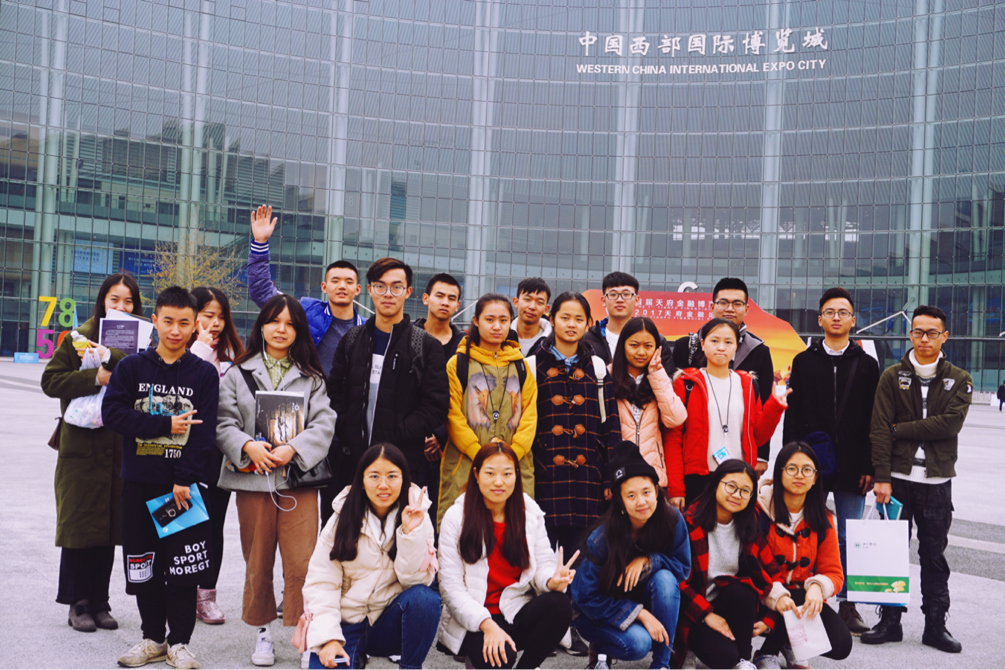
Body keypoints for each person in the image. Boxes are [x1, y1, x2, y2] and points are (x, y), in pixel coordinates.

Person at [214, 294, 337, 667]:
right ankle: (263, 632)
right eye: (273, 321)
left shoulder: (311, 376)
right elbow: (223, 421)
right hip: (253, 482)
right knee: (258, 559)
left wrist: (293, 449)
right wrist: (247, 446)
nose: (281, 329)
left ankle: (306, 635)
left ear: (299, 330)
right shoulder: (239, 372)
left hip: (297, 482)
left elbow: (324, 422)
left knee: (303, 562)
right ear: (262, 326)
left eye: (289, 324)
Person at [101, 286, 220, 670]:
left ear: (195, 325)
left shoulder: (203, 373)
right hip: (138, 483)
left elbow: (203, 435)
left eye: (184, 323)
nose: (175, 330)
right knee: (144, 565)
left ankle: (180, 643)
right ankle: (153, 638)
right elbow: (113, 414)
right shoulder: (131, 368)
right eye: (168, 321)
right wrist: (165, 424)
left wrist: (184, 477)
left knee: (182, 569)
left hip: (180, 489)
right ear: (154, 321)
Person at [864, 305, 972, 654]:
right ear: (910, 334)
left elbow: (949, 425)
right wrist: (882, 476)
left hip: (936, 482)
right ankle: (890, 621)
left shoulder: (960, 378)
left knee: (933, 555)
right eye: (918, 332)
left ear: (944, 336)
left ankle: (935, 625)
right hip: (896, 480)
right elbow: (879, 429)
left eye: (932, 333)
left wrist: (901, 429)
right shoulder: (892, 376)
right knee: (891, 551)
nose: (924, 338)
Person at [41, 273, 144, 633]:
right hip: (81, 447)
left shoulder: (140, 343)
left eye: (128, 301)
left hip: (118, 448)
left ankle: (100, 600)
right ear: (103, 301)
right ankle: (77, 602)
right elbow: (50, 381)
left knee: (110, 526)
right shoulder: (78, 339)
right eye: (115, 299)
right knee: (79, 526)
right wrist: (94, 379)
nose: (121, 307)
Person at [781, 287, 879, 635]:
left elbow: (875, 420)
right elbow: (793, 415)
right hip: (812, 464)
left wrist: (870, 466)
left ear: (853, 320)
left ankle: (848, 604)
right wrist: (790, 461)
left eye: (843, 312)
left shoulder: (867, 365)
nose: (836, 317)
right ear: (820, 319)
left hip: (854, 465)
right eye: (830, 312)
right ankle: (803, 597)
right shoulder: (804, 362)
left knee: (850, 535)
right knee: (805, 529)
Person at [529, 292, 621, 656]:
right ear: (552, 319)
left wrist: (610, 477)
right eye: (564, 317)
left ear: (588, 324)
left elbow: (611, 426)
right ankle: (546, 623)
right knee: (542, 550)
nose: (571, 324)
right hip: (545, 473)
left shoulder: (597, 367)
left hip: (587, 476)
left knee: (581, 554)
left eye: (578, 319)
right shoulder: (531, 364)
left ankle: (573, 624)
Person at [326, 257, 449, 526]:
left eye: (396, 287)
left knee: (397, 534)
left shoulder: (425, 346)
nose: (388, 294)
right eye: (380, 287)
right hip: (351, 461)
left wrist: (397, 434)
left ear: (408, 292)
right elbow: (333, 394)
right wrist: (348, 430)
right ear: (370, 290)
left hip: (401, 464)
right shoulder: (352, 340)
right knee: (346, 534)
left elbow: (436, 406)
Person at [302, 443, 441, 670]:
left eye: (392, 476)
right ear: (362, 480)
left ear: (404, 479)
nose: (383, 485)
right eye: (374, 476)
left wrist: (409, 534)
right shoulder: (341, 517)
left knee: (426, 600)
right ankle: (354, 656)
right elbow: (321, 583)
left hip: (388, 621)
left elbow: (417, 582)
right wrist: (328, 638)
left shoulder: (418, 515)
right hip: (345, 624)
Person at [437, 443, 576, 670]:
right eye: (490, 473)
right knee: (502, 658)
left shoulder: (529, 512)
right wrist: (487, 625)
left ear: (516, 475)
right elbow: (451, 588)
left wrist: (552, 580)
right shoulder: (456, 517)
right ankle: (476, 658)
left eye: (507, 474)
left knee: (560, 605)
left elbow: (543, 562)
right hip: (474, 618)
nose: (499, 482)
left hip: (514, 609)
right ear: (476, 475)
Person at [570, 442, 691, 670]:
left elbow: (682, 568)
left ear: (656, 491)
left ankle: (662, 665)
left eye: (646, 492)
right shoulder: (602, 538)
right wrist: (640, 614)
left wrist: (649, 560)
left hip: (641, 599)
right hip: (595, 614)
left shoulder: (672, 520)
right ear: (620, 501)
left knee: (665, 579)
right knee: (639, 644)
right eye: (631, 495)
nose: (641, 502)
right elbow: (585, 598)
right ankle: (599, 649)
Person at [438, 294, 538, 529]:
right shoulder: (458, 364)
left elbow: (530, 416)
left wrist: (513, 453)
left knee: (514, 531)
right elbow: (453, 415)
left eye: (503, 320)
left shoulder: (521, 366)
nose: (497, 326)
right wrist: (480, 453)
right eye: (490, 319)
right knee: (462, 529)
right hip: (466, 462)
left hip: (515, 463)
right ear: (476, 321)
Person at [674, 460, 784, 670]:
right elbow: (676, 580)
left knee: (743, 590)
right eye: (731, 486)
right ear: (716, 484)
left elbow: (773, 575)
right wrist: (706, 614)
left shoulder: (749, 527)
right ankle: (685, 648)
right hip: (691, 612)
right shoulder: (688, 522)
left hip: (727, 609)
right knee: (724, 658)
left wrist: (768, 620)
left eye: (745, 491)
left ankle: (744, 659)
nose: (737, 495)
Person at [666, 319, 788, 507]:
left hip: (739, 478)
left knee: (737, 527)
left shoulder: (748, 384)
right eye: (714, 341)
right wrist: (676, 489)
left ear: (736, 347)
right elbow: (674, 439)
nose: (721, 347)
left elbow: (758, 436)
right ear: (702, 344)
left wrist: (774, 408)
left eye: (728, 342)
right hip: (698, 480)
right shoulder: (686, 383)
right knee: (698, 526)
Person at [753, 442, 853, 669]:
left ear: (815, 477)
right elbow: (751, 566)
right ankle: (766, 653)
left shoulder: (823, 518)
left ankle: (790, 644)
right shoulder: (759, 511)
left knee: (841, 644)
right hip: (762, 594)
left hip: (801, 599)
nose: (799, 475)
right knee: (780, 595)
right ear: (779, 473)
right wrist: (777, 594)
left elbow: (834, 573)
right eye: (792, 468)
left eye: (807, 470)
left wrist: (818, 587)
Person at [673, 278, 775, 476]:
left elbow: (762, 405)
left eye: (737, 303)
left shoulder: (759, 351)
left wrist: (761, 455)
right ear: (712, 306)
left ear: (746, 309)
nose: (729, 308)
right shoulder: (686, 346)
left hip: (739, 456)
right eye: (723, 302)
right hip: (695, 458)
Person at [248, 204, 366, 375]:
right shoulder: (306, 311)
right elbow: (262, 293)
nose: (342, 286)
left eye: (349, 281)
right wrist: (260, 243)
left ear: (358, 289)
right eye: (335, 281)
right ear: (324, 287)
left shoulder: (368, 329)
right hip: (308, 390)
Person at [187, 286, 245, 625]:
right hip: (182, 451)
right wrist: (199, 348)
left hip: (219, 453)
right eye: (208, 315)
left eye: (221, 316)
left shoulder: (234, 356)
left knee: (213, 524)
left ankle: (206, 595)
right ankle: (179, 591)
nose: (216, 322)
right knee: (181, 522)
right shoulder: (180, 351)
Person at [609, 317, 687, 491]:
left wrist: (656, 374)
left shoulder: (659, 379)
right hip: (617, 474)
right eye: (634, 345)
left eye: (648, 346)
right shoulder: (606, 376)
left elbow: (675, 419)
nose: (641, 352)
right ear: (622, 345)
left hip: (652, 476)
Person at [414, 272, 465, 526]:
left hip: (450, 442)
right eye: (439, 295)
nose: (445, 302)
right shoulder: (408, 336)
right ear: (426, 298)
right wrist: (421, 434)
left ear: (458, 305)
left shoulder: (465, 345)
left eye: (451, 298)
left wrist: (441, 435)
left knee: (444, 518)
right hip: (411, 440)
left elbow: (467, 394)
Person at [583, 272, 675, 371]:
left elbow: (668, 376)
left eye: (626, 294)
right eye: (613, 294)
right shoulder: (586, 340)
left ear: (637, 300)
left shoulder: (656, 340)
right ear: (603, 300)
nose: (619, 300)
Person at [512, 277, 553, 356]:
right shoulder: (501, 336)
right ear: (516, 302)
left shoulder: (553, 343)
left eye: (540, 302)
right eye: (527, 299)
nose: (532, 307)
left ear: (546, 309)